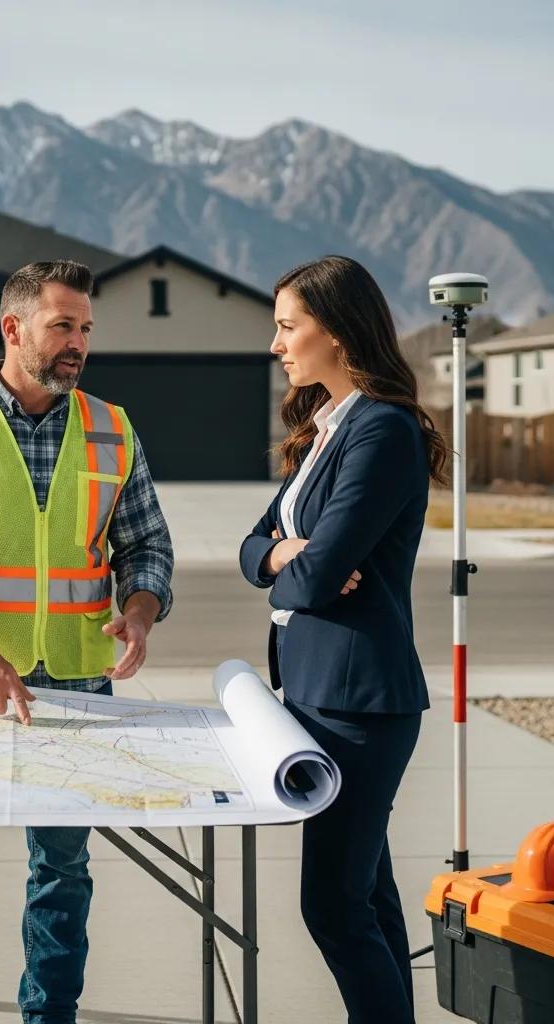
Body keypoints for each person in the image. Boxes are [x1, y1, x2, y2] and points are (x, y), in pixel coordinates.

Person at [0, 259, 174, 1024]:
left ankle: (51, 1018)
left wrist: (141, 611)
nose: (78, 342)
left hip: (79, 682)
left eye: (84, 328)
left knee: (63, 869)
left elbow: (146, 547)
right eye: (62, 326)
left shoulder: (113, 428)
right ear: (14, 330)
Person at [240, 255, 447, 1024]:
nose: (277, 344)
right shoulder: (325, 429)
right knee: (365, 898)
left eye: (288, 326)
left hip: (361, 702)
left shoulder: (383, 430)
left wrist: (300, 562)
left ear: (338, 329)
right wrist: (282, 554)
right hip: (320, 697)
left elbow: (322, 575)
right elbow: (255, 547)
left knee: (331, 907)